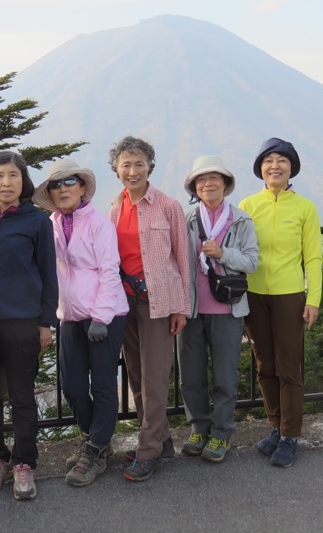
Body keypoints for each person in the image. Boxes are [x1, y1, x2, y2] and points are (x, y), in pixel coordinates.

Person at [33, 159, 129, 487]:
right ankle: (94, 439)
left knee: (102, 384)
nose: (63, 189)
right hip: (70, 316)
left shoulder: (99, 224)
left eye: (69, 182)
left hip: (105, 315)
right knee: (72, 385)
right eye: (56, 185)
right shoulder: (50, 224)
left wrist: (101, 317)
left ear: (83, 187)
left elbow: (109, 270)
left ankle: (96, 450)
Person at [0, 151, 58, 501]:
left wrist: (45, 323)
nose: (6, 182)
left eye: (13, 176)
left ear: (24, 182)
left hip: (23, 323)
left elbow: (48, 276)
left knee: (22, 397)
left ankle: (24, 463)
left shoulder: (37, 221)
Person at [107, 136, 191, 482]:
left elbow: (183, 260)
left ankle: (148, 451)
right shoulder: (114, 209)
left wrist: (181, 308)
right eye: (126, 164)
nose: (132, 170)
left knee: (155, 379)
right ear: (116, 169)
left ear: (150, 167)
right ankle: (162, 439)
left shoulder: (168, 206)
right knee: (138, 376)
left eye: (139, 163)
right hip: (125, 302)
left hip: (159, 303)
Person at [238, 137, 323, 468]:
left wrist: (312, 299)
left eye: (282, 161)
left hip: (289, 296)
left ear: (291, 168)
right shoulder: (247, 206)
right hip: (253, 296)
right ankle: (274, 426)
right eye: (268, 160)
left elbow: (313, 259)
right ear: (260, 168)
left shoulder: (305, 208)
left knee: (289, 367)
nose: (274, 166)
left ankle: (290, 435)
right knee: (265, 365)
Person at [177, 156, 259, 462]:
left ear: (225, 185)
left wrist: (223, 253)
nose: (208, 184)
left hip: (228, 310)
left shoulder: (241, 220)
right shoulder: (186, 220)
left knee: (225, 376)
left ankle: (222, 433)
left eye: (214, 179)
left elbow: (251, 261)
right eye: (201, 180)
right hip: (191, 310)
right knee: (191, 375)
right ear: (194, 188)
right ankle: (198, 428)